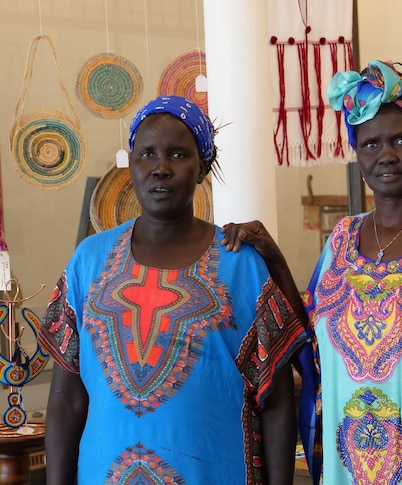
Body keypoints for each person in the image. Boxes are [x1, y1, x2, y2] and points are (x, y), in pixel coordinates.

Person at [222, 60, 402, 485]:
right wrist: (273, 257)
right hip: (347, 468)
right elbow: (309, 348)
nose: (387, 155)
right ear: (356, 152)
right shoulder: (340, 239)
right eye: (370, 143)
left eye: (401, 139)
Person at [37, 95, 308, 485]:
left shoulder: (239, 263)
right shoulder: (89, 260)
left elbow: (277, 399)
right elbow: (66, 398)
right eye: (146, 154)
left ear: (203, 168)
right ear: (131, 166)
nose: (160, 168)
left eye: (178, 155)